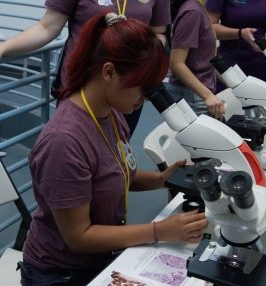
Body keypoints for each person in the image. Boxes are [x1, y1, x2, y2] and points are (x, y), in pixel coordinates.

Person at [17, 12, 208, 286]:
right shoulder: (64, 142)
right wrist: (159, 230)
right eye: (141, 89)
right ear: (108, 72)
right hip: (61, 272)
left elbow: (116, 173)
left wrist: (160, 179)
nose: (143, 100)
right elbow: (79, 236)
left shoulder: (110, 113)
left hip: (101, 257)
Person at [0, 0, 170, 137]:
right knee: (74, 147)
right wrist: (2, 49)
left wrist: (145, 55)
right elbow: (47, 27)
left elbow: (158, 32)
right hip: (82, 87)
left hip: (129, 85)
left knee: (117, 156)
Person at [205, 0, 266, 92]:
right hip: (231, 65)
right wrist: (240, 33)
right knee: (232, 102)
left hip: (263, 62)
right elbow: (209, 28)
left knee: (263, 100)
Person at [167, 0, 225, 119]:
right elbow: (176, 63)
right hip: (192, 97)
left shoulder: (198, 7)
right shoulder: (192, 11)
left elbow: (205, 59)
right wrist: (208, 96)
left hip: (197, 93)